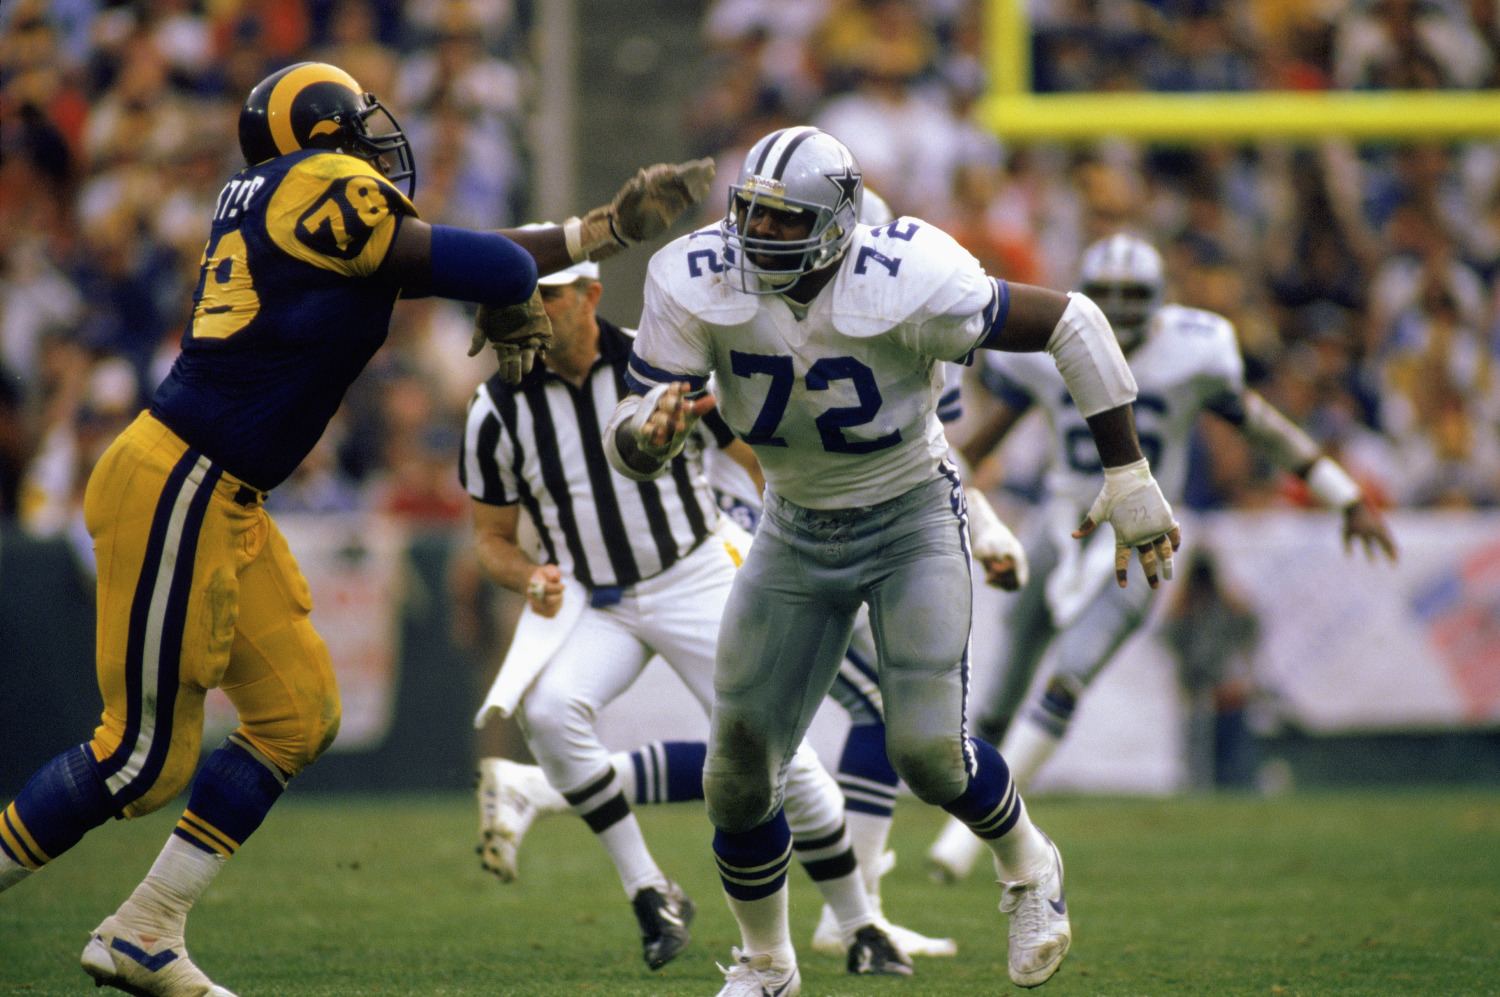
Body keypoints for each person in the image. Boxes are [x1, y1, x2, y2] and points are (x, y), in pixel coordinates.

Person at [0, 60, 713, 997]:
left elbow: (464, 252)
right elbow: (491, 264)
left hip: (219, 490)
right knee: (139, 756)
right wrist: (509, 291)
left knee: (297, 712)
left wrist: (602, 231)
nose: (377, 140)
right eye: (358, 123)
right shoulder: (318, 183)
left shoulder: (281, 200)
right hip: (178, 478)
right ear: (323, 131)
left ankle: (147, 926)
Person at [604, 126, 1181, 994]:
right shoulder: (696, 277)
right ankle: (768, 965)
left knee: (928, 755)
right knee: (737, 771)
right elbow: (636, 421)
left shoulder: (909, 275)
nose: (756, 238)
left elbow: (1075, 319)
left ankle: (1029, 865)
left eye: (782, 222)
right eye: (749, 215)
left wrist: (1128, 474)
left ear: (836, 225)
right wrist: (643, 440)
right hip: (793, 522)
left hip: (908, 513)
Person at [460, 254, 911, 976]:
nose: (532, 313)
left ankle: (860, 923)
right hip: (593, 595)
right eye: (521, 298)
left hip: (695, 572)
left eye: (546, 296)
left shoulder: (659, 362)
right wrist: (528, 574)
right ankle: (650, 889)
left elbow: (757, 453)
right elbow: (489, 538)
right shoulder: (497, 405)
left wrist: (789, 533)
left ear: (590, 294)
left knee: (779, 758)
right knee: (547, 714)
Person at [925, 232, 1398, 882]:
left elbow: (1260, 424)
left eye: (1133, 296)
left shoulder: (1192, 351)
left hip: (1141, 532)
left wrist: (1343, 494)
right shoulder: (1050, 343)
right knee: (1005, 681)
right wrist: (960, 504)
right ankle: (976, 809)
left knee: (1072, 673)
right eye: (1107, 296)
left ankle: (966, 840)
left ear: (1160, 300)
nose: (1117, 311)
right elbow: (978, 448)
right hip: (1060, 521)